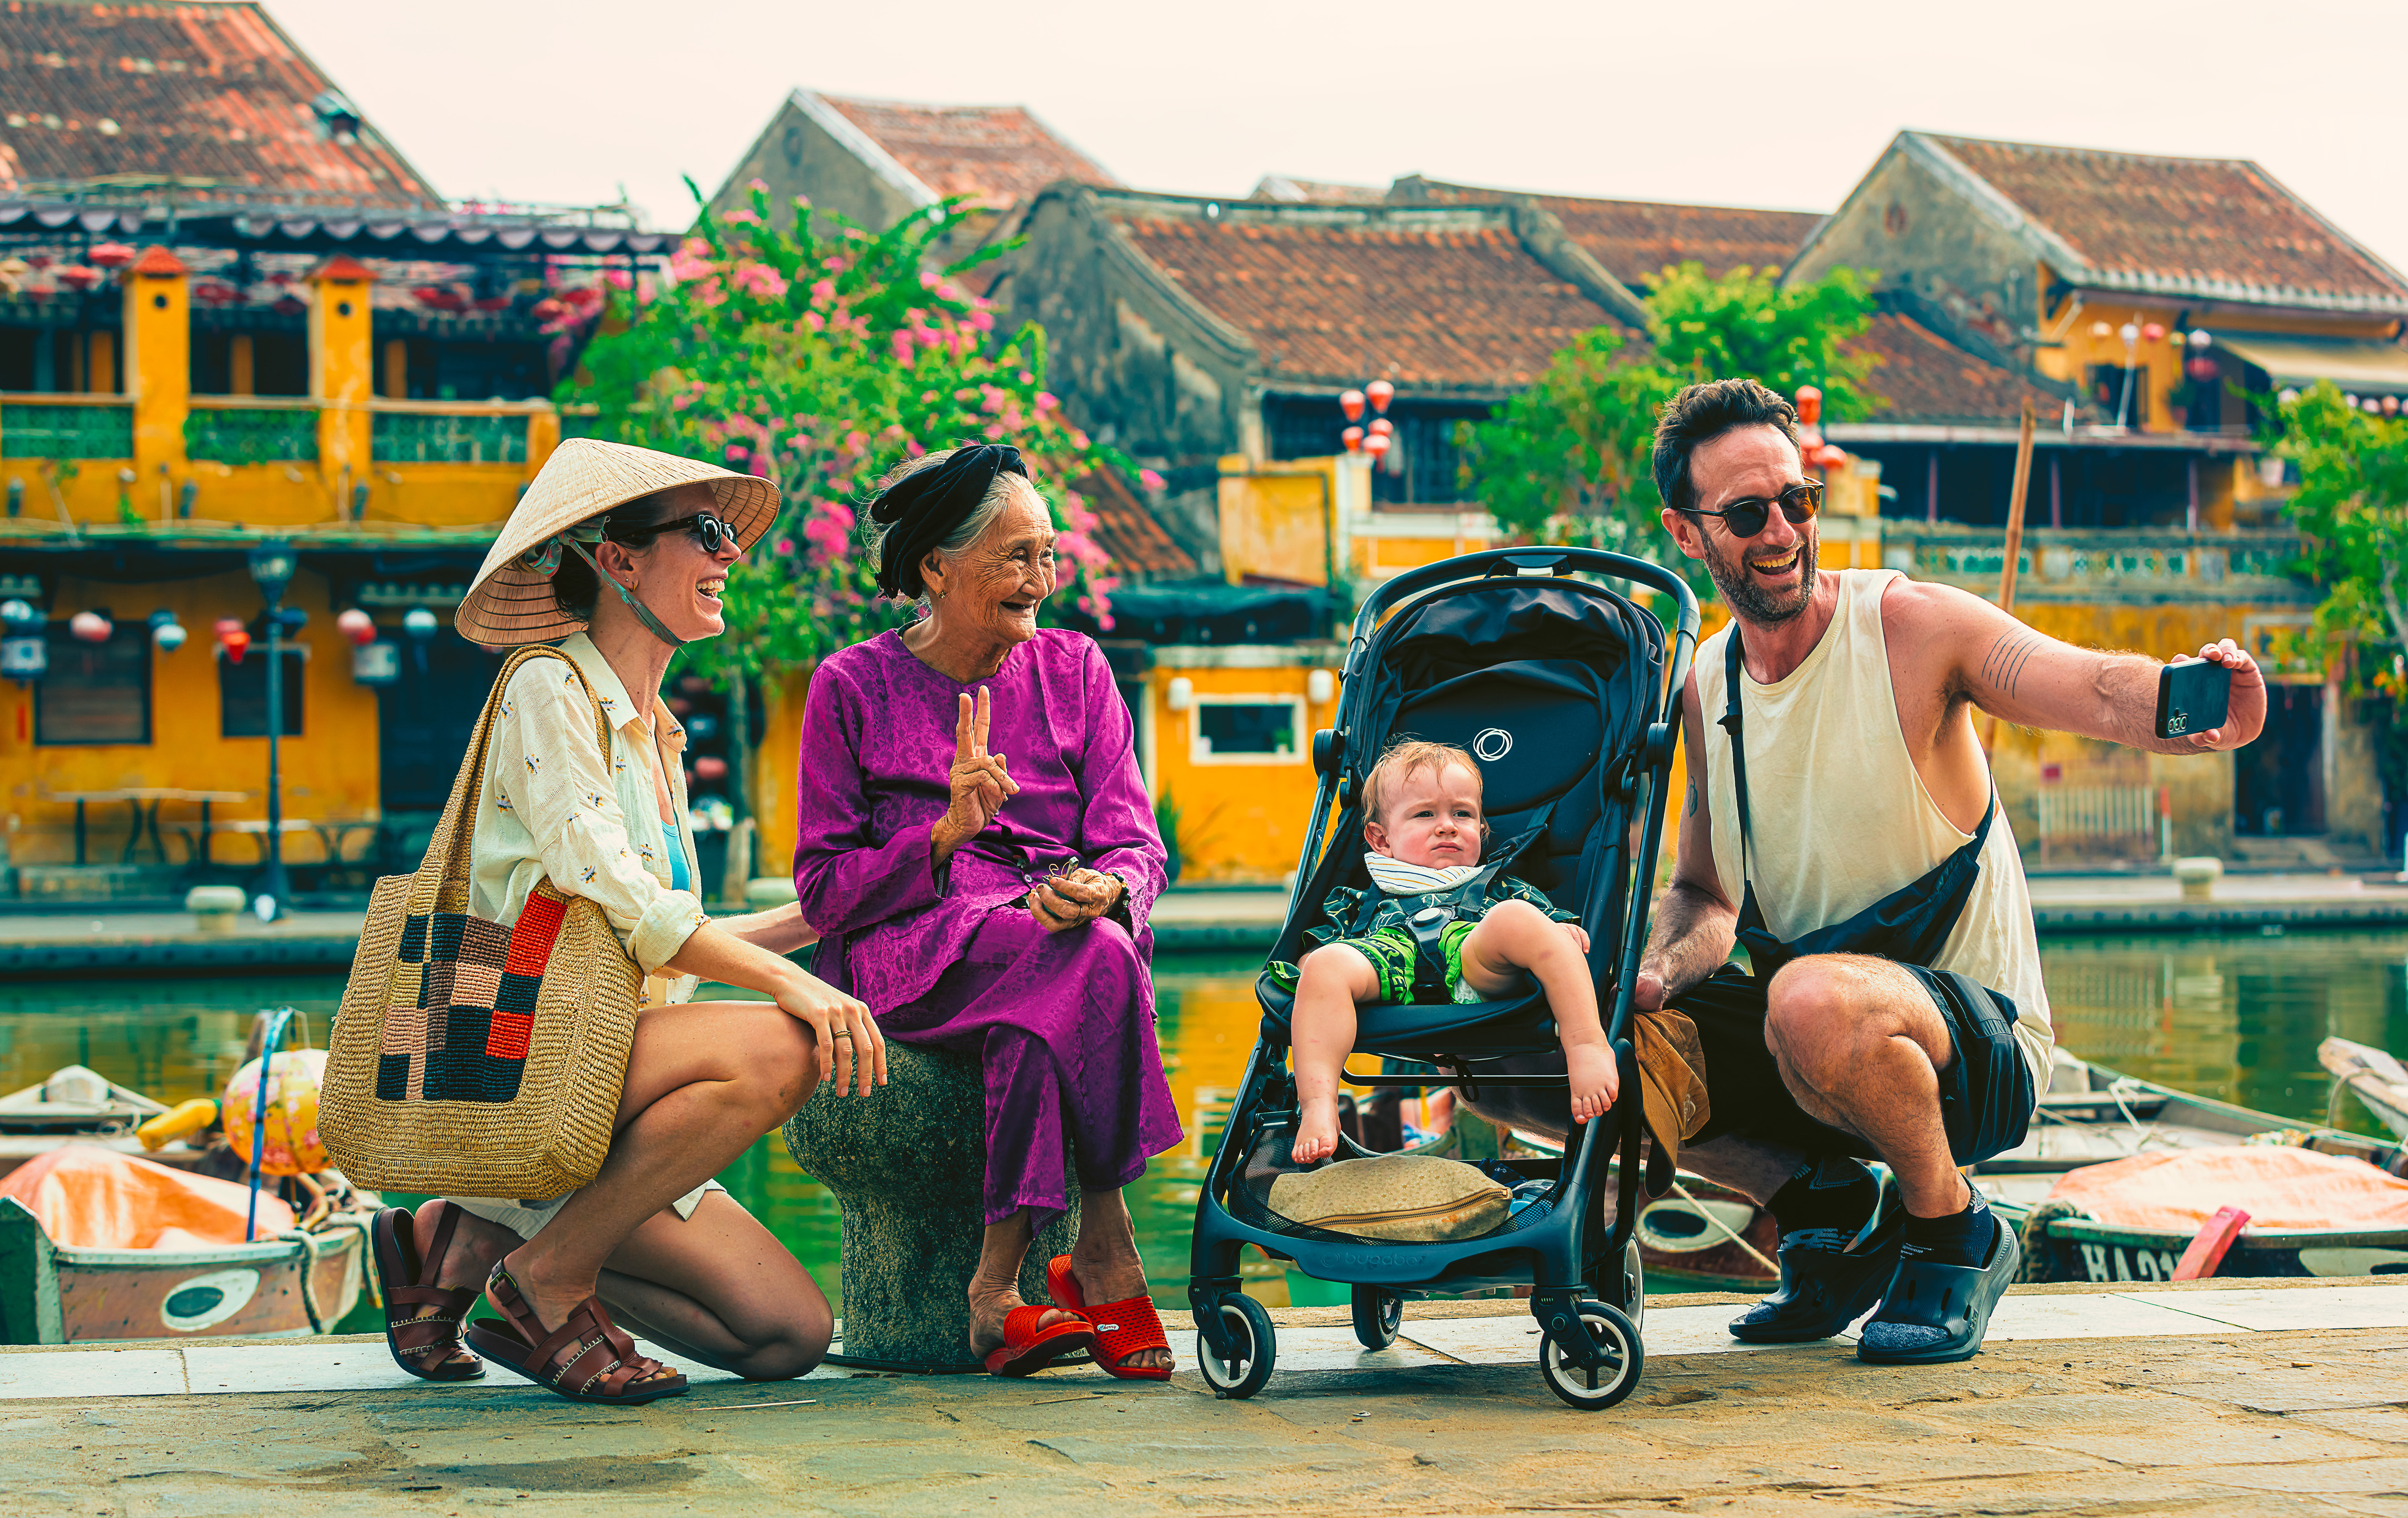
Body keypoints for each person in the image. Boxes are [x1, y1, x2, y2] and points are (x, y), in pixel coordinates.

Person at [1463, 378, 2263, 1366]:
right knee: (1542, 1035)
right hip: (1806, 1035)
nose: (1781, 532)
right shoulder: (1706, 685)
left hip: (1973, 1047)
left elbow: (2089, 686)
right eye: (1746, 514)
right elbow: (1706, 895)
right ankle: (1822, 1207)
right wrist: (1654, 972)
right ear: (1685, 531)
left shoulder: (1908, 626)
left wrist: (2196, 703)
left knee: (1808, 998)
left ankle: (1952, 1229)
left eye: (1796, 501)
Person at [371, 438, 884, 1405]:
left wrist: (839, 910)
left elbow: (665, 937)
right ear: (618, 560)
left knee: (786, 1336)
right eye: (706, 531)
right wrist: (795, 983)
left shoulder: (659, 734)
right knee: (785, 1041)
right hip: (513, 1053)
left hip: (607, 1065)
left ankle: (467, 1241)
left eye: (728, 534)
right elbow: (611, 889)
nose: (730, 553)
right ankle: (542, 1278)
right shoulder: (545, 685)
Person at [792, 443, 1184, 1380]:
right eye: (1016, 558)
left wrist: (1110, 888)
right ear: (936, 568)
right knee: (1090, 958)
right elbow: (823, 891)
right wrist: (942, 835)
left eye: (1048, 555)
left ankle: (996, 1296)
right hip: (912, 951)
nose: (1041, 581)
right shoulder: (850, 685)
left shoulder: (1077, 669)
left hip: (1052, 937)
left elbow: (1136, 844)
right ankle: (1105, 1245)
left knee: (1069, 971)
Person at [1273, 739, 1610, 1164]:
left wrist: (1555, 928)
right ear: (1381, 839)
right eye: (1425, 814)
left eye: (1462, 814)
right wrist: (1318, 968)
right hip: (1386, 959)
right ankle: (1318, 1103)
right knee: (1324, 964)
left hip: (1473, 959)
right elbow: (1322, 946)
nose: (1447, 826)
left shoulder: (1496, 886)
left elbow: (1544, 920)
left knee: (1517, 917)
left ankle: (1586, 1044)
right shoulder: (1359, 898)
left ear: (1481, 830)